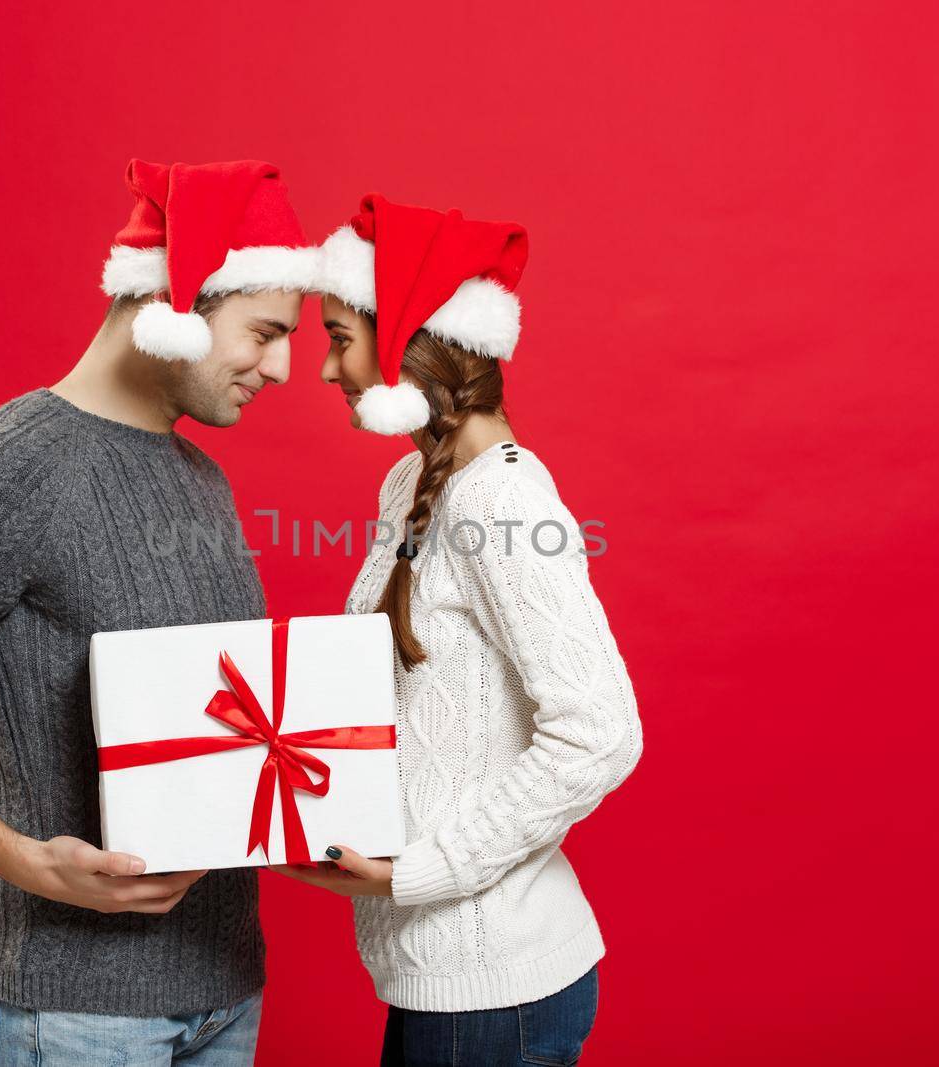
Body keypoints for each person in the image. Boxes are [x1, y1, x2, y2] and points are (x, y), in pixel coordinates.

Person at [0, 158, 319, 1066]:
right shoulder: (16, 467)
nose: (283, 365)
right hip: (76, 1014)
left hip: (226, 993)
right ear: (178, 301)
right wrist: (23, 861)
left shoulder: (202, 479)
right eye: (265, 331)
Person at [271, 195, 644, 1066]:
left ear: (405, 334)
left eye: (338, 336)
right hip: (434, 978)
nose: (326, 369)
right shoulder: (411, 485)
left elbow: (601, 733)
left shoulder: (504, 499)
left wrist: (423, 870)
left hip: (498, 987)